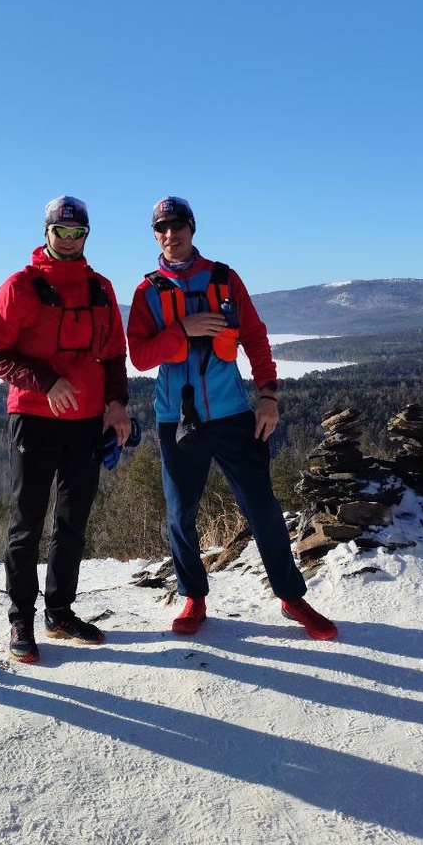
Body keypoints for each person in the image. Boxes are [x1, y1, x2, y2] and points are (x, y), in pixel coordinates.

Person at [127, 196, 337, 641]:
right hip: (177, 419)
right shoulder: (147, 291)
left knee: (262, 507)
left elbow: (256, 338)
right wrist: (180, 331)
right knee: (180, 514)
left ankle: (291, 596)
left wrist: (268, 396)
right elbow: (140, 357)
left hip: (232, 414)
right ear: (154, 234)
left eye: (177, 225)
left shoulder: (224, 278)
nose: (170, 234)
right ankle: (193, 598)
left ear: (192, 228)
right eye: (161, 228)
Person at [0, 195, 132, 662]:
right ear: (46, 232)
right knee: (26, 522)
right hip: (32, 419)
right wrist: (46, 382)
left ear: (86, 235)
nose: (69, 239)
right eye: (61, 231)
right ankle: (20, 617)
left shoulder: (101, 288)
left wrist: (117, 407)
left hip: (86, 422)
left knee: (72, 523)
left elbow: (112, 356)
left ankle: (60, 611)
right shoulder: (19, 286)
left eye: (77, 232)